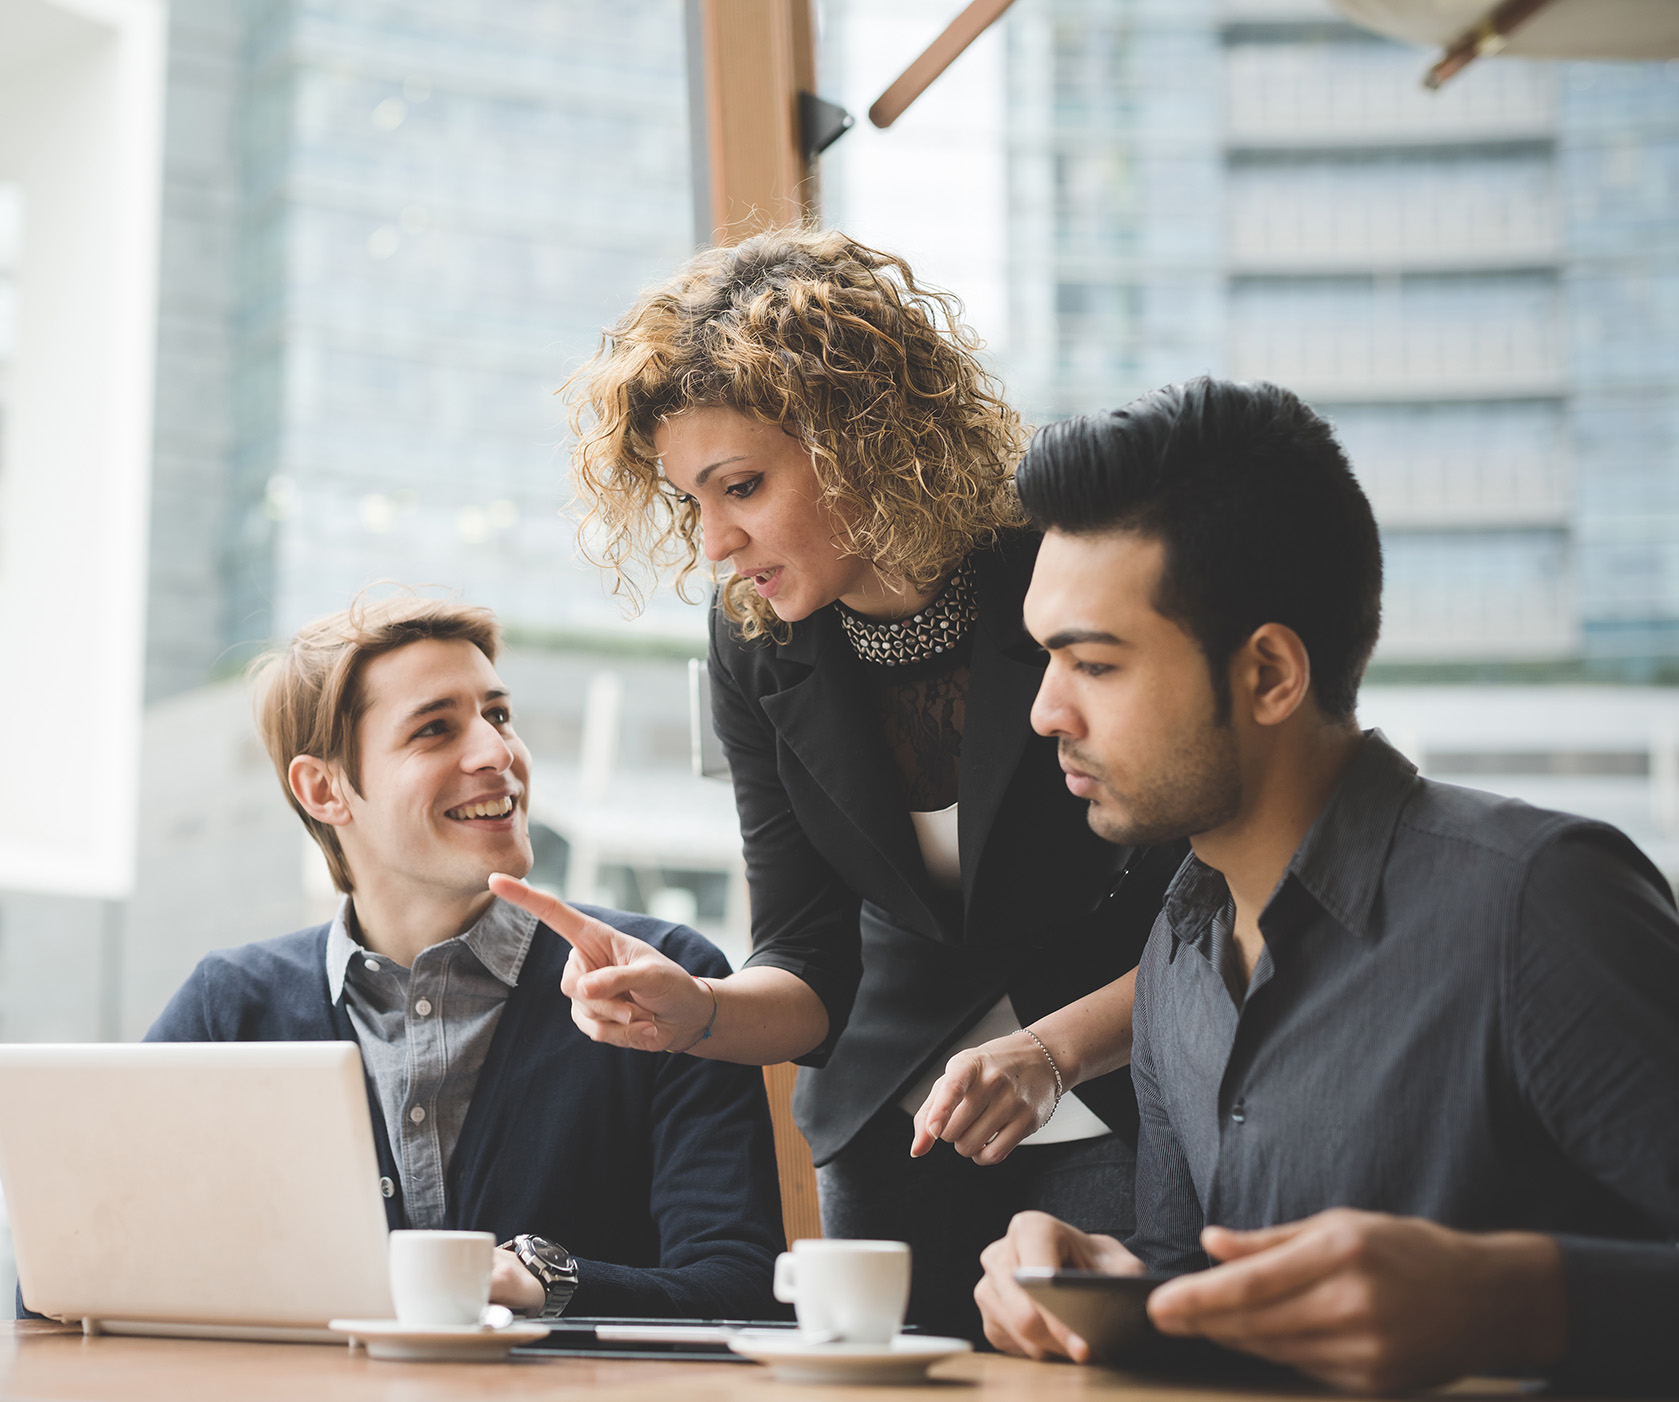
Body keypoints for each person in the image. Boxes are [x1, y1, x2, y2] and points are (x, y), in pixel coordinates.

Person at [491, 228, 1183, 1339]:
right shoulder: (757, 641)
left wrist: (1054, 1047)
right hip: (893, 1128)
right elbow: (810, 954)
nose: (715, 542)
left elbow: (1223, 909)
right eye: (690, 505)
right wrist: (699, 1012)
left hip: (1123, 1092)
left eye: (743, 487)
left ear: (861, 437)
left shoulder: (1059, 558)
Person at [971, 378, 1679, 1393]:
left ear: (1267, 674)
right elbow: (1196, 1280)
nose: (1045, 713)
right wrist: (1105, 1282)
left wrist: (1513, 1298)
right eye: (1046, 661)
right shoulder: (1178, 950)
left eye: (1093, 665)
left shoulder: (1537, 904)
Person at [142, 595, 783, 1321]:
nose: (496, 753)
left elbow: (741, 1287)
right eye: (435, 729)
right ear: (323, 789)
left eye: (499, 716)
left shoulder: (663, 977)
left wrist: (547, 1281)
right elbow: (78, 1273)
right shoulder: (227, 1007)